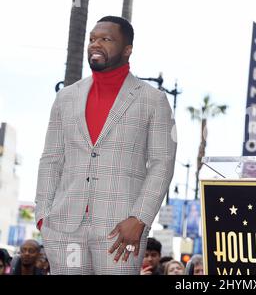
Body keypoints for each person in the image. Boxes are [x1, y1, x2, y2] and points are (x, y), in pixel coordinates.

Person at [35, 16, 177, 275]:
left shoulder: (153, 100)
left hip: (121, 230)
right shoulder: (66, 97)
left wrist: (140, 218)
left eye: (105, 39)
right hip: (64, 227)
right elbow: (51, 159)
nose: (95, 44)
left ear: (127, 49)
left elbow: (162, 163)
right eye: (92, 39)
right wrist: (43, 216)